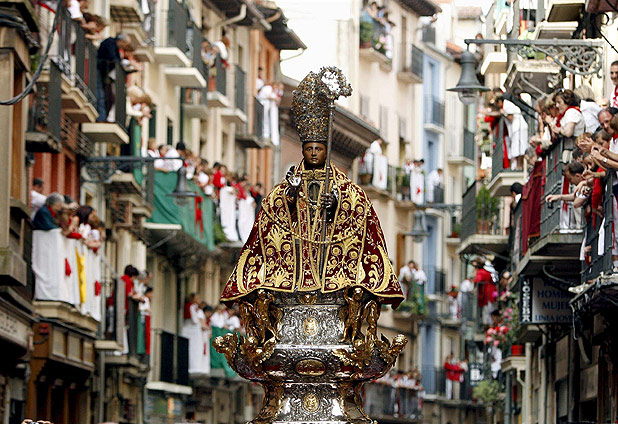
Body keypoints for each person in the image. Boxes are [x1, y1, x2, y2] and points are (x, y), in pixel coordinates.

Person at [220, 69, 403, 307]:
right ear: (303, 150)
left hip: (331, 263)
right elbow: (272, 215)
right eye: (309, 149)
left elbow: (360, 212)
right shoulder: (286, 185)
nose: (314, 153)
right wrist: (291, 195)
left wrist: (336, 205)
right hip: (295, 262)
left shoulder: (345, 188)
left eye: (318, 149)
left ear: (326, 151)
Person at [183, 293, 206, 374]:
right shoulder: (191, 306)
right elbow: (194, 319)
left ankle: (196, 366)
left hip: (193, 329)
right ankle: (193, 366)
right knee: (193, 348)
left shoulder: (194, 307)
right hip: (192, 329)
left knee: (196, 348)